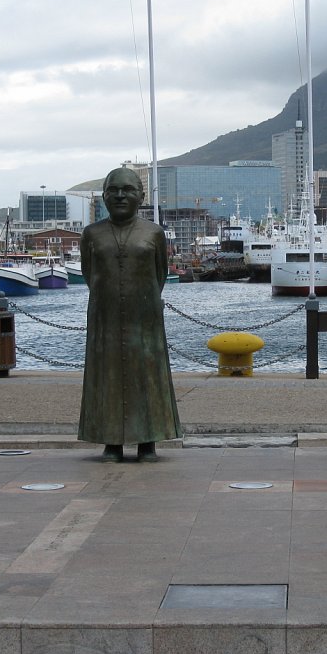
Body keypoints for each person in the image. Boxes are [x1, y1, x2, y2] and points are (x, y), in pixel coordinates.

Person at [78, 167, 181, 462]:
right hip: (105, 318)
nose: (120, 195)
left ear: (141, 196)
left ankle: (148, 440)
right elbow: (90, 274)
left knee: (148, 376)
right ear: (104, 196)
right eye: (114, 190)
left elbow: (159, 274)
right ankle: (111, 441)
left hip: (145, 318)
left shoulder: (154, 233)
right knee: (105, 376)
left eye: (128, 190)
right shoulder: (92, 234)